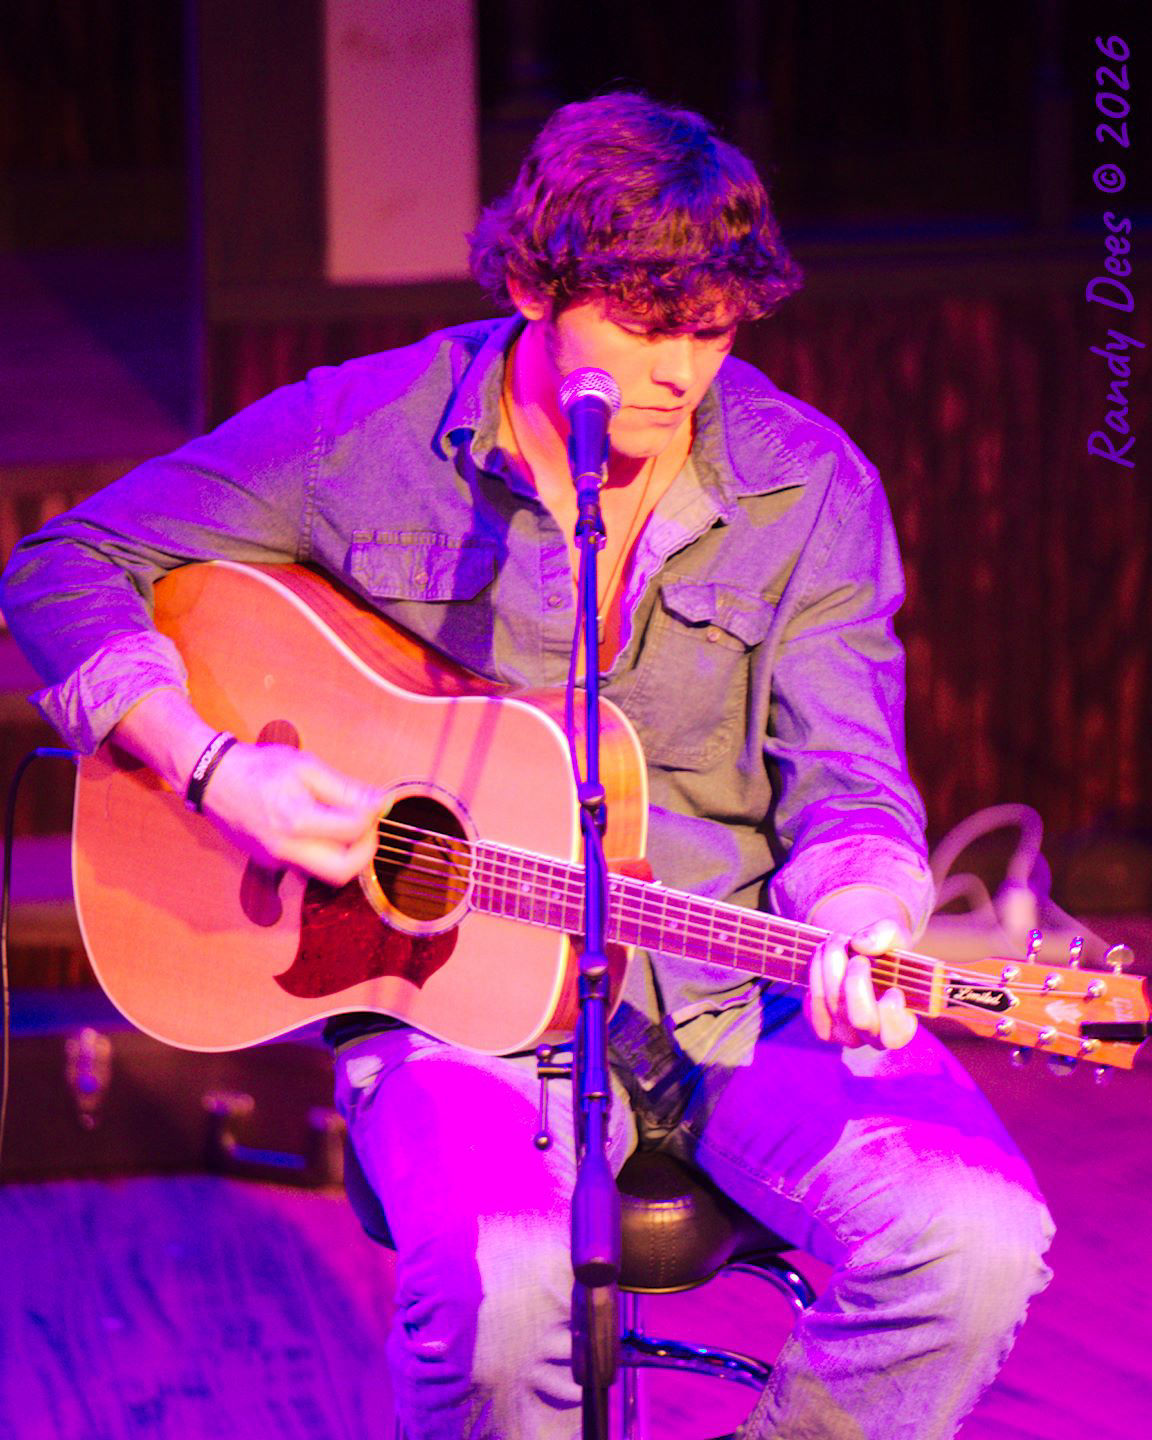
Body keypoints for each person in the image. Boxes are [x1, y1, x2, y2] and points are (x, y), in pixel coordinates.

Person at [0, 93, 1052, 1438]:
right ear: (528, 285)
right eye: (640, 323)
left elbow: (850, 780)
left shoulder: (811, 489)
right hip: (446, 1010)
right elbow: (67, 563)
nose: (679, 372)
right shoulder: (362, 439)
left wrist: (864, 919)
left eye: (714, 329)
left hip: (729, 996)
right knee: (500, 1296)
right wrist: (215, 768)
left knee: (973, 1246)